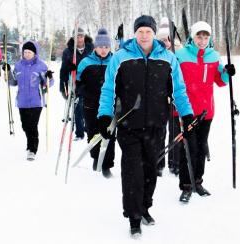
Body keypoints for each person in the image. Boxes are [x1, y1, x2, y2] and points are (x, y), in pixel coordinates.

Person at [97, 15, 193, 238]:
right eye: (140, 31)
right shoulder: (121, 57)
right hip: (128, 125)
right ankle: (133, 217)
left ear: (153, 33)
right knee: (132, 172)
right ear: (135, 33)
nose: (143, 35)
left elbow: (178, 90)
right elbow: (108, 89)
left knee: (150, 170)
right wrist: (104, 115)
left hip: (157, 126)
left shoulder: (168, 58)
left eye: (147, 31)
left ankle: (145, 208)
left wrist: (186, 114)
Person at [175, 21, 236, 202]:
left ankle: (198, 182)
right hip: (186, 110)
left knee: (201, 147)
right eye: (198, 36)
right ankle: (186, 185)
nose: (202, 40)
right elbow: (172, 79)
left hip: (206, 111)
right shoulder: (181, 55)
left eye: (205, 37)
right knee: (188, 148)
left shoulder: (214, 56)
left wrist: (227, 72)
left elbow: (221, 80)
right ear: (192, 37)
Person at [3, 41, 54, 161]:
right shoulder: (18, 65)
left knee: (32, 125)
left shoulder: (41, 66)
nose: (26, 54)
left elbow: (48, 84)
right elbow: (13, 82)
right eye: (24, 52)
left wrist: (49, 77)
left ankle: (32, 149)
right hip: (22, 101)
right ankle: (30, 142)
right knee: (25, 125)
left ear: (34, 53)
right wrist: (8, 72)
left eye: (29, 52)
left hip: (36, 101)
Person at [76, 28, 115, 178]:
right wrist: (82, 89)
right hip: (90, 104)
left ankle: (107, 165)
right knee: (92, 133)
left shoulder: (114, 61)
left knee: (108, 134)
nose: (103, 50)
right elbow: (78, 82)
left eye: (106, 47)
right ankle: (95, 157)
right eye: (100, 47)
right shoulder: (86, 62)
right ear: (95, 47)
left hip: (109, 105)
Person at [156, 17, 184, 176]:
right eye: (163, 39)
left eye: (169, 39)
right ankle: (159, 163)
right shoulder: (155, 53)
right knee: (159, 132)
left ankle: (175, 163)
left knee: (175, 131)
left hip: (175, 98)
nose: (166, 42)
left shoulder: (181, 53)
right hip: (159, 98)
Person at [59, 27, 94, 141]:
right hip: (76, 83)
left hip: (90, 82)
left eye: (81, 36)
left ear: (84, 37)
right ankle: (79, 133)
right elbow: (63, 70)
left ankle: (89, 128)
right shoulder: (68, 51)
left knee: (90, 107)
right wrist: (62, 87)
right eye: (77, 37)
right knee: (78, 107)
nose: (79, 39)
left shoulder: (91, 48)